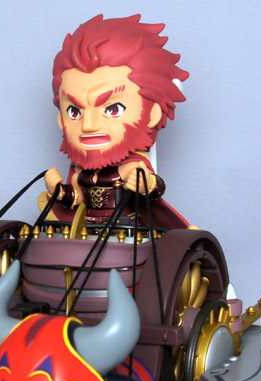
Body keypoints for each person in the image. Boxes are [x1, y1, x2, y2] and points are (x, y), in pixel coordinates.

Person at [44, 14, 190, 229]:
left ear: (152, 114)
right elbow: (75, 199)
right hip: (86, 230)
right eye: (74, 112)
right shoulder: (79, 172)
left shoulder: (131, 167)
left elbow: (154, 188)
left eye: (112, 110)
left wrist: (147, 183)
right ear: (61, 119)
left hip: (125, 230)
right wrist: (58, 190)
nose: (89, 125)